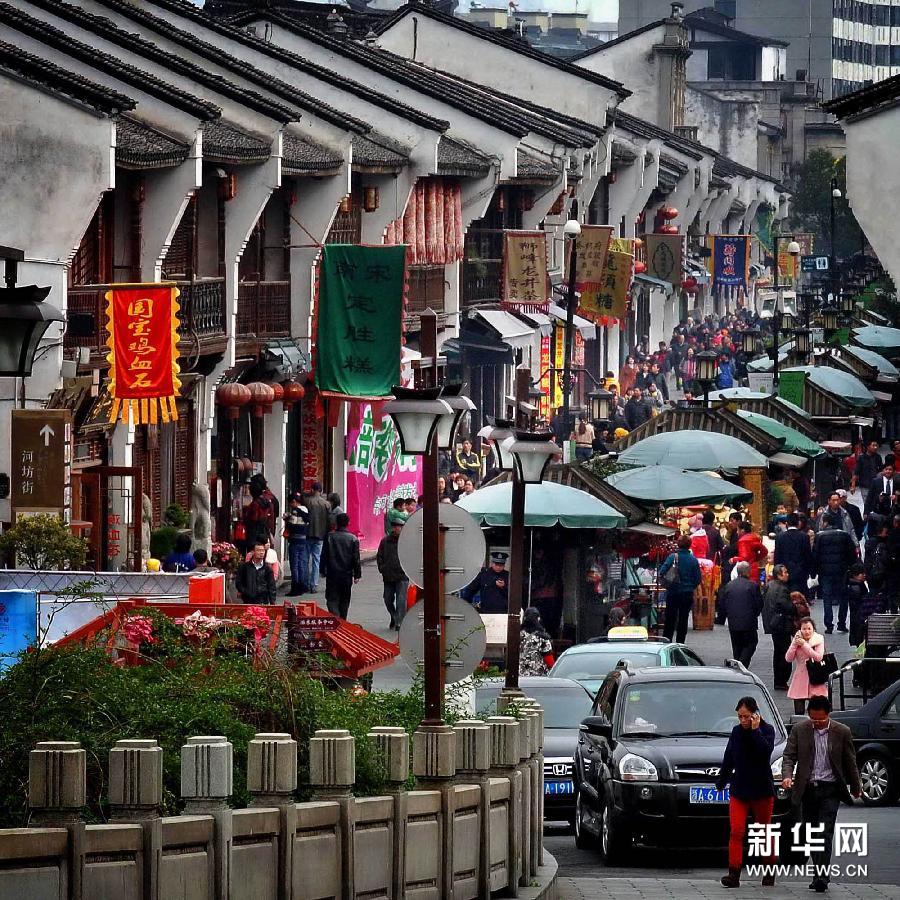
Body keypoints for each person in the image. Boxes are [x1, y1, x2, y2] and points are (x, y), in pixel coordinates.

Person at [781, 695, 861, 893]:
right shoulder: (800, 730)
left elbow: (850, 760)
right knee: (811, 833)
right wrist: (787, 775)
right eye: (813, 719)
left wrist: (856, 785)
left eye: (821, 720)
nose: (817, 723)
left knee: (824, 833)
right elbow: (789, 756)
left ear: (828, 715)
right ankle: (818, 872)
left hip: (830, 789)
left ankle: (821, 877)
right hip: (808, 789)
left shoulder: (841, 732)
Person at [716, 696, 778, 888]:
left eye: (746, 717)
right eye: (740, 717)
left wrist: (755, 731)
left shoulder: (767, 731)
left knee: (764, 831)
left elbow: (764, 752)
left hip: (761, 789)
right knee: (736, 831)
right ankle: (733, 873)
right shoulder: (735, 733)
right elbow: (729, 758)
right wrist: (722, 780)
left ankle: (769, 871)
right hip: (740, 789)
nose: (743, 720)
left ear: (755, 715)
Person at [812, 512, 856, 634]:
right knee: (843, 597)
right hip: (842, 571)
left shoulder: (820, 536)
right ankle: (841, 623)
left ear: (825, 522)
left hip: (825, 572)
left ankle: (829, 624)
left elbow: (815, 555)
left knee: (827, 597)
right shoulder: (845, 536)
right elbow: (851, 555)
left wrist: (813, 572)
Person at [657, 535, 702, 644]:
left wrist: (667, 583)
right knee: (683, 618)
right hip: (687, 593)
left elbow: (661, 572)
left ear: (678, 544)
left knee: (670, 618)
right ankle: (680, 643)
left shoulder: (672, 557)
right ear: (689, 545)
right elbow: (698, 579)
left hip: (673, 592)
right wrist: (690, 586)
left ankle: (667, 642)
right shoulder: (693, 560)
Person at [720, 561, 763, 667]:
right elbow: (759, 603)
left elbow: (722, 603)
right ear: (748, 572)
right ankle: (742, 664)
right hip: (749, 621)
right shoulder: (752, 586)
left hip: (733, 621)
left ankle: (738, 664)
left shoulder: (729, 585)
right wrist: (755, 614)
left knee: (736, 645)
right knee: (751, 643)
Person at [321, 512, 361, 619]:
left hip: (332, 573)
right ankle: (342, 620)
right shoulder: (353, 539)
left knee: (332, 598)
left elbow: (324, 555)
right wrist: (357, 574)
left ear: (336, 523)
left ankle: (335, 617)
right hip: (346, 574)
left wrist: (322, 570)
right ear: (348, 523)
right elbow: (356, 558)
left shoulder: (329, 537)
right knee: (345, 599)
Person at [786, 616, 828, 715]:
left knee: (815, 712)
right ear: (800, 630)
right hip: (800, 679)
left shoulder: (818, 640)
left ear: (813, 629)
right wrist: (794, 644)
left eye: (809, 629)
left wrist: (804, 645)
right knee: (799, 713)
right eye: (804, 629)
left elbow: (818, 657)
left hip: (815, 679)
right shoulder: (797, 640)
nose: (807, 631)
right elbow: (788, 658)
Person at [763, 564, 795, 689]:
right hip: (781, 624)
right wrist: (794, 608)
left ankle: (778, 680)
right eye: (785, 572)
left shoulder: (770, 585)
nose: (787, 574)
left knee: (778, 652)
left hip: (772, 623)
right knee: (784, 653)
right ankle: (781, 680)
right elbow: (786, 606)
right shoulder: (782, 589)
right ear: (779, 575)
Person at [377, 518, 408, 630]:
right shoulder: (385, 541)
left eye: (399, 526)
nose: (396, 528)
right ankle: (394, 617)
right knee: (387, 599)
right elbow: (379, 556)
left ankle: (399, 622)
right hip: (388, 575)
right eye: (394, 526)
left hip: (402, 575)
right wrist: (382, 568)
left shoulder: (406, 541)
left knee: (401, 600)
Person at [774, 513, 814, 596]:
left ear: (787, 523)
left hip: (784, 572)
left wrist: (777, 572)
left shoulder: (780, 537)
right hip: (801, 573)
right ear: (798, 523)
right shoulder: (804, 537)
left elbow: (777, 556)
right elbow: (808, 556)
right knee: (799, 599)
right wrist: (810, 572)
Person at [305, 482, 331, 592]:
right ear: (321, 490)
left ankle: (306, 583)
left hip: (307, 534)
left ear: (312, 489)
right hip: (320, 535)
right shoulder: (326, 504)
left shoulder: (307, 502)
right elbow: (329, 521)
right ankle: (314, 584)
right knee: (316, 560)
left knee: (306, 559)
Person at [283, 492, 310, 596]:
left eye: (290, 503)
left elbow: (292, 525)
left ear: (294, 501)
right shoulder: (306, 510)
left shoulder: (295, 511)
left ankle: (295, 587)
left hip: (295, 540)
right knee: (301, 563)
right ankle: (302, 585)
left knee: (294, 564)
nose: (290, 505)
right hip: (303, 539)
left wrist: (286, 520)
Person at [235, 540, 277, 605]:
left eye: (263, 550)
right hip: (248, 601)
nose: (261, 553)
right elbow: (238, 582)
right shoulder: (244, 567)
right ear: (253, 552)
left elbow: (272, 586)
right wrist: (245, 591)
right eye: (259, 550)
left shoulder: (267, 568)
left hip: (263, 601)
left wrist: (272, 602)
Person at [519, 607, 555, 676]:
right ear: (538, 619)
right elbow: (549, 659)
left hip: (520, 675)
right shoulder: (542, 638)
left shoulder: (517, 635)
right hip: (538, 677)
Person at [847, 562, 871, 648]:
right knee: (859, 637)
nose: (864, 575)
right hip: (858, 617)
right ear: (856, 575)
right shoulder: (857, 587)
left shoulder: (856, 585)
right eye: (862, 573)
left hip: (855, 617)